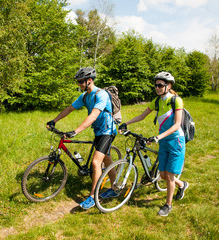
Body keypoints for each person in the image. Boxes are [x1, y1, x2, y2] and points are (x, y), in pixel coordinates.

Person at [119, 71, 189, 217]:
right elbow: (142, 116)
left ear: (168, 86)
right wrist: (126, 123)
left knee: (169, 176)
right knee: (162, 175)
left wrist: (158, 136)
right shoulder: (157, 101)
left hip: (176, 141)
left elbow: (177, 125)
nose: (157, 88)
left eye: (160, 85)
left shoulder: (176, 100)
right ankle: (182, 185)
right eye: (156, 85)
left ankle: (167, 205)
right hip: (163, 141)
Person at [46, 67, 117, 210]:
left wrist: (76, 131)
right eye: (78, 81)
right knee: (106, 158)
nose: (79, 84)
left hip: (108, 131)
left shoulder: (101, 94)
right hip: (98, 131)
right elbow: (69, 108)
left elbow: (94, 115)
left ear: (89, 80)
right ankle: (115, 187)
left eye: (80, 81)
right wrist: (54, 120)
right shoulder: (85, 96)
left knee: (96, 163)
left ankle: (92, 197)